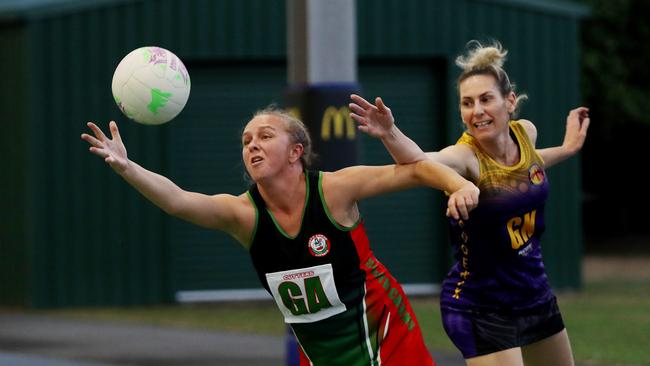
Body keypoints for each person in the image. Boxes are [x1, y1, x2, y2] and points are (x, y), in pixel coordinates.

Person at [81, 107, 480, 365]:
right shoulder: (244, 215)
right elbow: (179, 201)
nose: (253, 144)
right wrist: (128, 168)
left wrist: (456, 185)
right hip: (321, 354)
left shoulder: (334, 190)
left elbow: (415, 169)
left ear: (295, 152)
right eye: (246, 141)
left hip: (384, 335)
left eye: (266, 136)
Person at [349, 40, 590, 366]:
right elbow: (420, 162)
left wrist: (566, 148)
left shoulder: (526, 134)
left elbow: (528, 168)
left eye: (485, 99)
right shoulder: (464, 158)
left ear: (509, 102)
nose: (476, 110)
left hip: (534, 292)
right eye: (467, 103)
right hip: (481, 305)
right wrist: (390, 133)